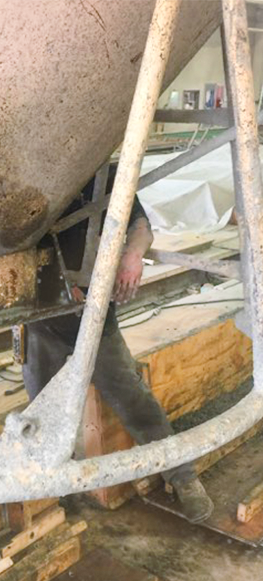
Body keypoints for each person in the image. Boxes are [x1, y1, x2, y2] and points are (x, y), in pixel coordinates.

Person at [23, 164, 214, 523]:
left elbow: (141, 227)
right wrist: (59, 285)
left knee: (134, 400)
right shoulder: (37, 175)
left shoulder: (106, 174)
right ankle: (55, 486)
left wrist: (133, 254)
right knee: (40, 412)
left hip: (95, 318)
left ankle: (182, 476)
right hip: (42, 322)